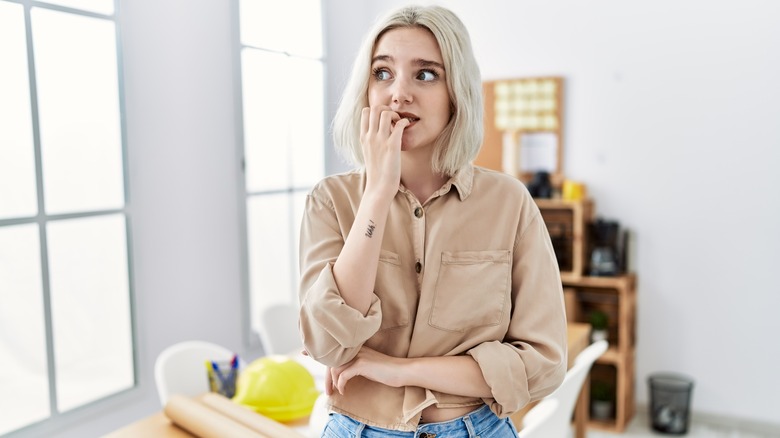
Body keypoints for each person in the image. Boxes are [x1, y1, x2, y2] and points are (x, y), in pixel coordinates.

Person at [298, 5, 567, 437]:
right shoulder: (330, 201)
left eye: (425, 75)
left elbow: (543, 365)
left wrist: (398, 371)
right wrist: (377, 196)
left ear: (456, 91)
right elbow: (328, 344)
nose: (398, 94)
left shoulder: (509, 203)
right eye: (382, 73)